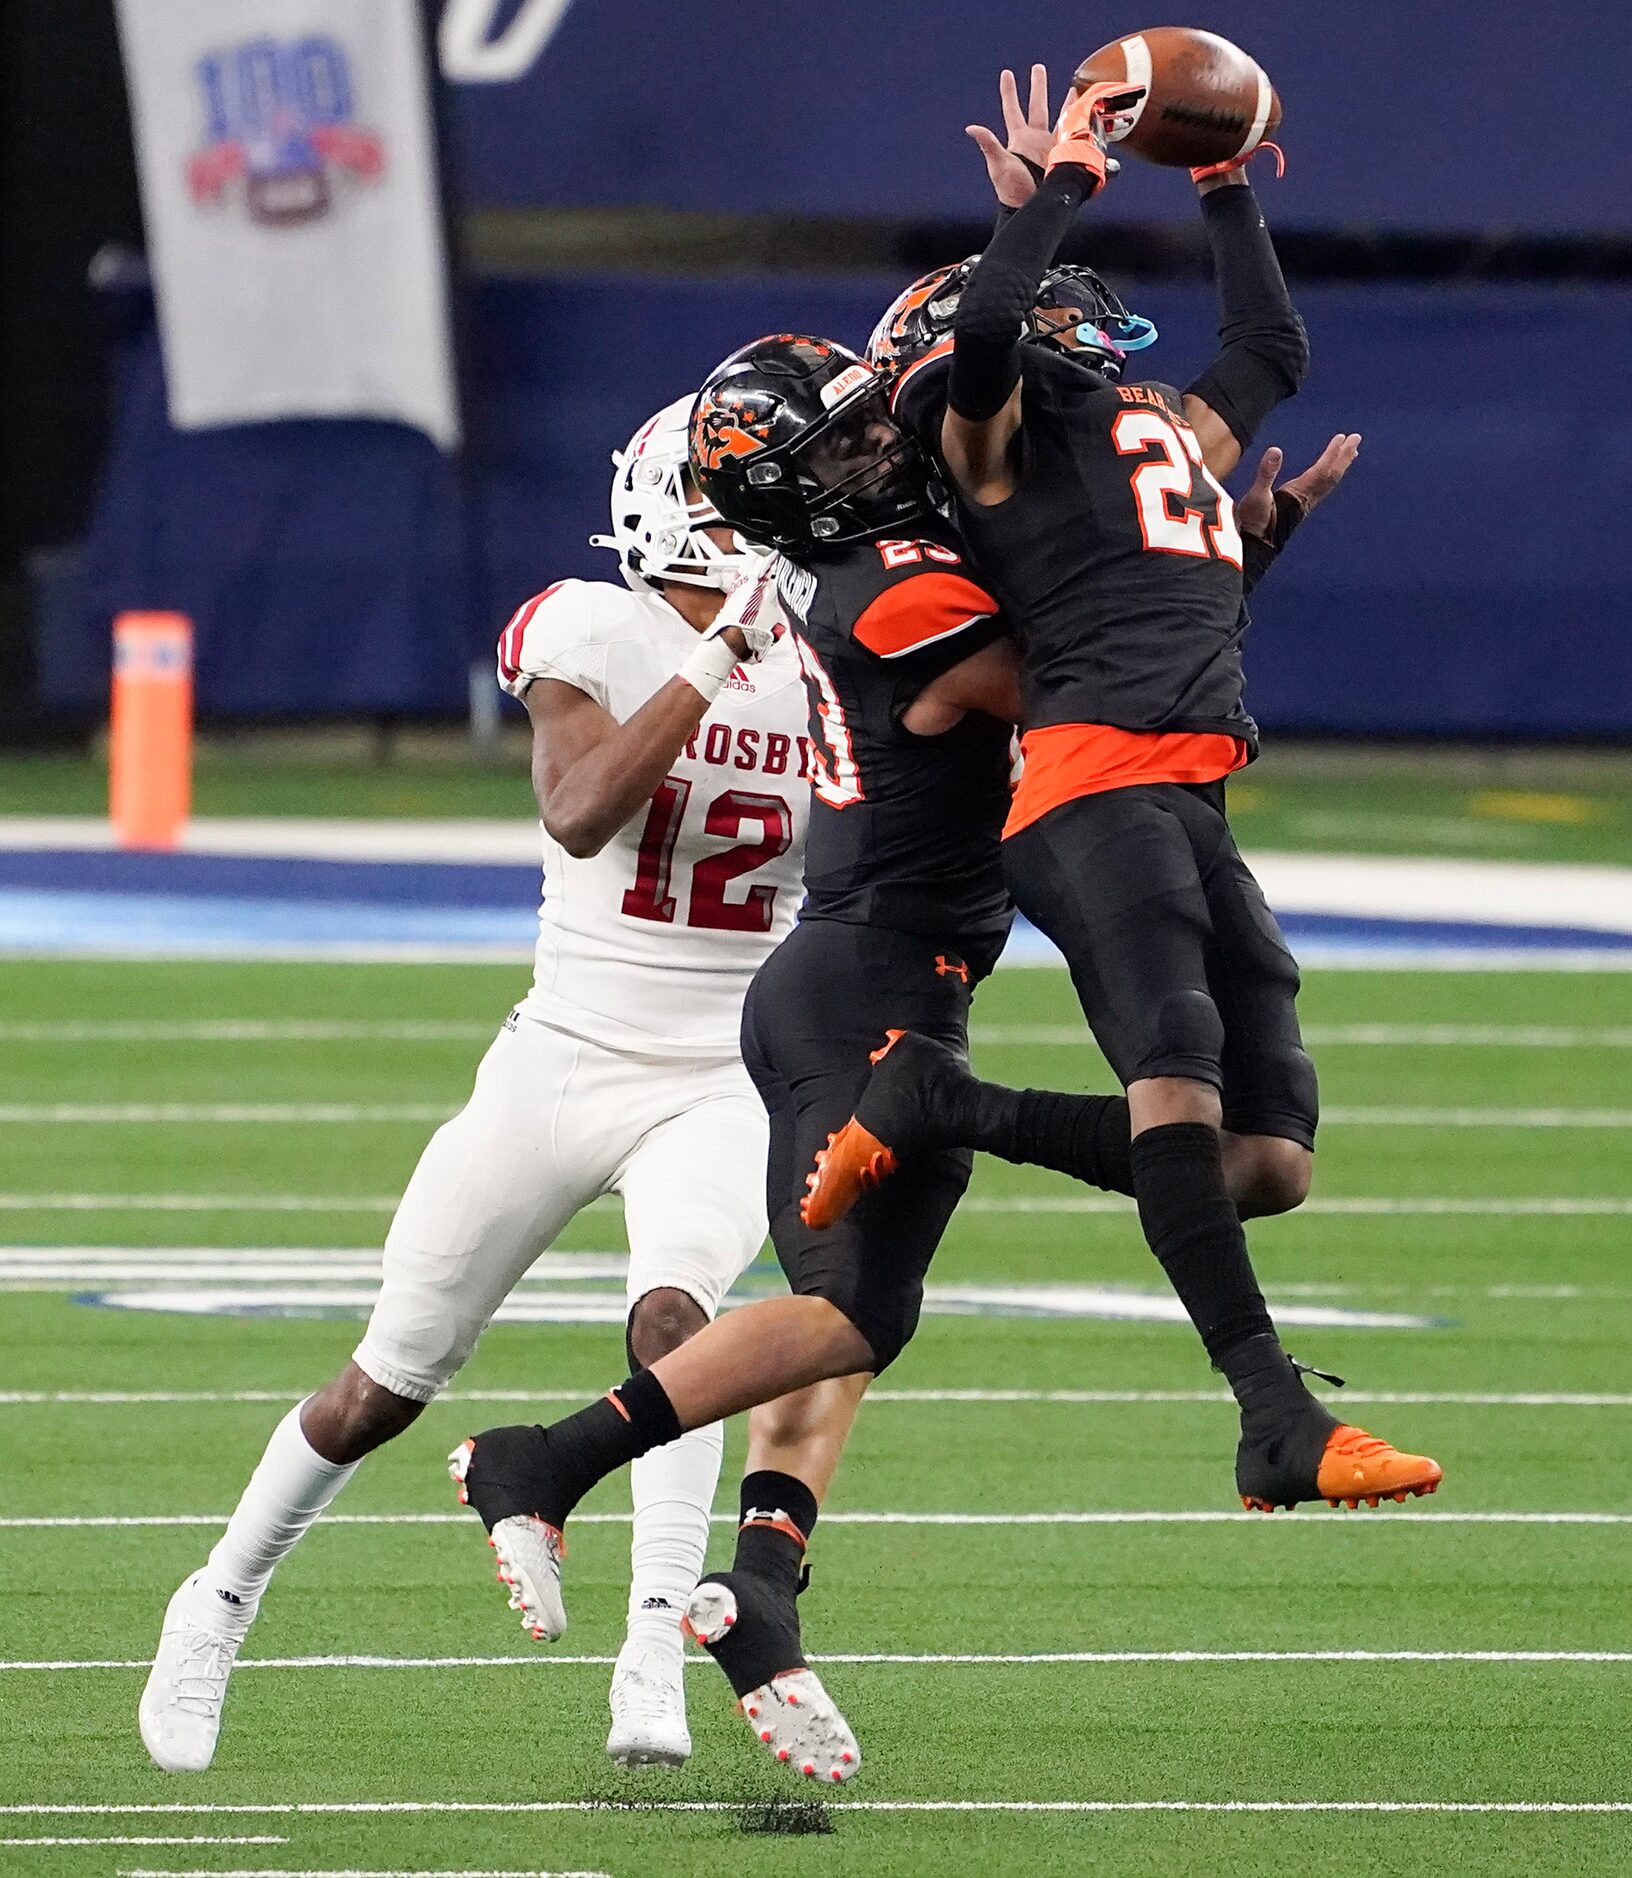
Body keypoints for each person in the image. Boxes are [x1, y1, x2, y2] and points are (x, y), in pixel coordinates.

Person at [448, 330, 1347, 1780]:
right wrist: (1203, 547)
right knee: (847, 1315)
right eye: (851, 441)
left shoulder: (908, 554)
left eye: (878, 426)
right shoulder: (898, 588)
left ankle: (753, 1593)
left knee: (858, 1314)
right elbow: (1095, 676)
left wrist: (1222, 531)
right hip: (854, 978)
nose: (882, 445)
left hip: (897, 971)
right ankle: (548, 1463)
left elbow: (1111, 627)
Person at [139, 396, 812, 1776]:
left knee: (683, 1328)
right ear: (684, 503)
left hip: (724, 1071)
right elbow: (577, 809)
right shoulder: (591, 626)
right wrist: (713, 654)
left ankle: (651, 1648)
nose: (795, 515)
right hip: (564, 1053)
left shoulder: (831, 656)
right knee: (387, 1379)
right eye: (764, 488)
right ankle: (217, 1596)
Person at [811, 69, 1441, 1515]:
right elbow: (982, 331)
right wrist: (1059, 187)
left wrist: (1223, 184)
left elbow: (1268, 342)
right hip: (1091, 794)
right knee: (1172, 1084)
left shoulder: (1140, 432)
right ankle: (1272, 1412)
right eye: (1060, 312)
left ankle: (937, 1098)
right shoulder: (991, 438)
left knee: (1265, 1161)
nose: (1091, 331)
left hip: (1189, 790)